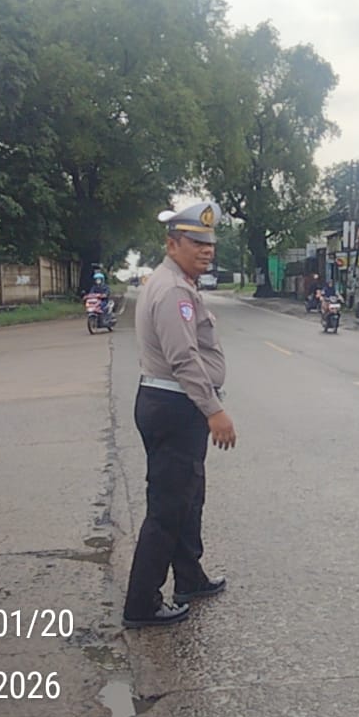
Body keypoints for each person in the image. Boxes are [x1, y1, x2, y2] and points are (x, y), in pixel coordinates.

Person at [123, 201, 236, 628]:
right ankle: (142, 603)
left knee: (188, 497)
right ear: (172, 245)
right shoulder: (173, 290)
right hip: (174, 406)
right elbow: (183, 358)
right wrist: (214, 410)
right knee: (167, 509)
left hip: (173, 404)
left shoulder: (178, 283)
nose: (207, 250)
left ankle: (189, 577)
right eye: (196, 243)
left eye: (210, 243)